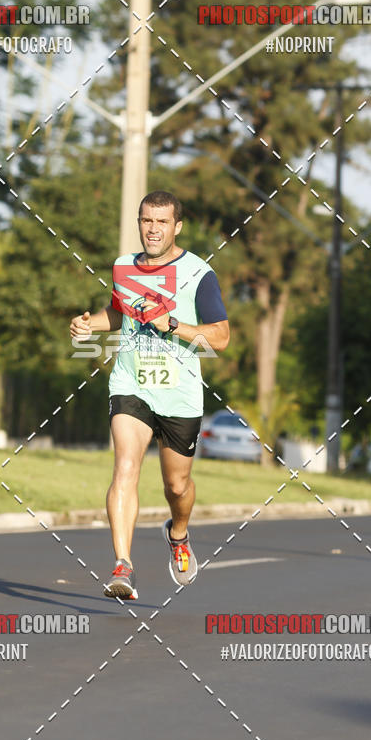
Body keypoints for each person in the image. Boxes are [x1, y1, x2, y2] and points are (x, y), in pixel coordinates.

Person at [69, 191, 229, 600]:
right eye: (146, 221)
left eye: (161, 222)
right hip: (131, 382)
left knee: (177, 486)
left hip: (180, 394)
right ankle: (122, 564)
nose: (152, 229)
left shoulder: (198, 273)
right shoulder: (123, 266)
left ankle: (178, 534)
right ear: (138, 222)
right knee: (125, 465)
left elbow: (221, 336)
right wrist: (91, 324)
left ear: (177, 226)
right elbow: (119, 313)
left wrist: (171, 323)